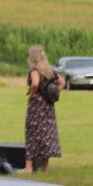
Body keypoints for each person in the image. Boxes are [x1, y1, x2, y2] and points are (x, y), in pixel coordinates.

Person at [22, 45, 63, 173]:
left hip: (37, 107)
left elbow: (35, 83)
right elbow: (62, 82)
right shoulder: (50, 70)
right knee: (46, 135)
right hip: (48, 106)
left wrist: (32, 95)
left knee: (32, 133)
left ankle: (29, 167)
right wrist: (55, 91)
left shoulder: (34, 70)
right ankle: (45, 168)